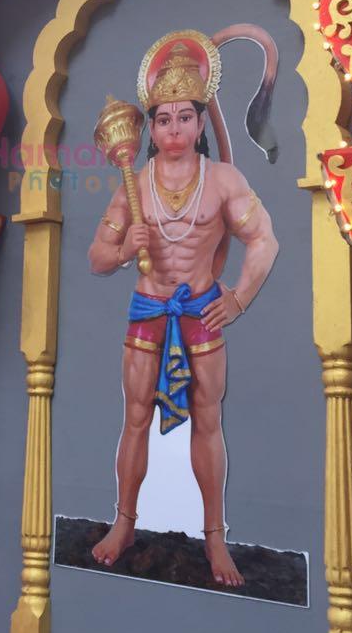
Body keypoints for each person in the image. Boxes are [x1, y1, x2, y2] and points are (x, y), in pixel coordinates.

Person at [88, 35, 279, 588]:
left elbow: (264, 240)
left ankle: (215, 538)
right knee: (136, 419)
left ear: (200, 123)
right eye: (163, 119)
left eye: (184, 118)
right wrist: (126, 248)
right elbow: (98, 257)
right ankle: (123, 524)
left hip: (201, 310)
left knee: (209, 419)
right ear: (149, 127)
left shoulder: (223, 180)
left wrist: (238, 298)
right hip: (148, 310)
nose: (173, 129)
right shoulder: (134, 185)